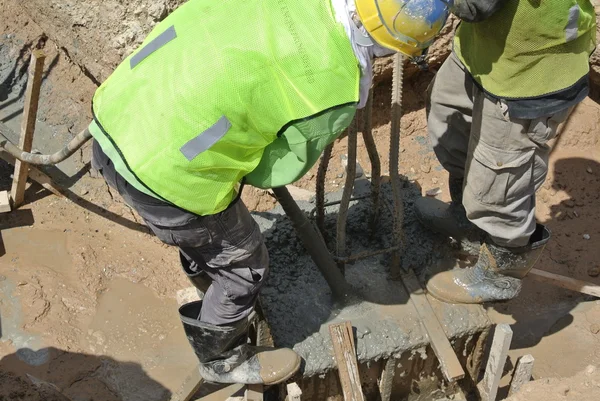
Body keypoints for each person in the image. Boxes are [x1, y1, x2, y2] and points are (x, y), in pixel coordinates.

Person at [89, 0, 451, 385]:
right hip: (165, 180)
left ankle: (209, 279)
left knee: (210, 240)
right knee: (244, 265)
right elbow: (273, 170)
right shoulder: (336, 85)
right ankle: (221, 360)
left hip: (118, 114)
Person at [416, 0, 597, 304]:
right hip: (483, 49)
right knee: (450, 126)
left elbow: (474, 5)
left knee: (499, 184)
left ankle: (499, 274)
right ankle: (469, 223)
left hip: (533, 71)